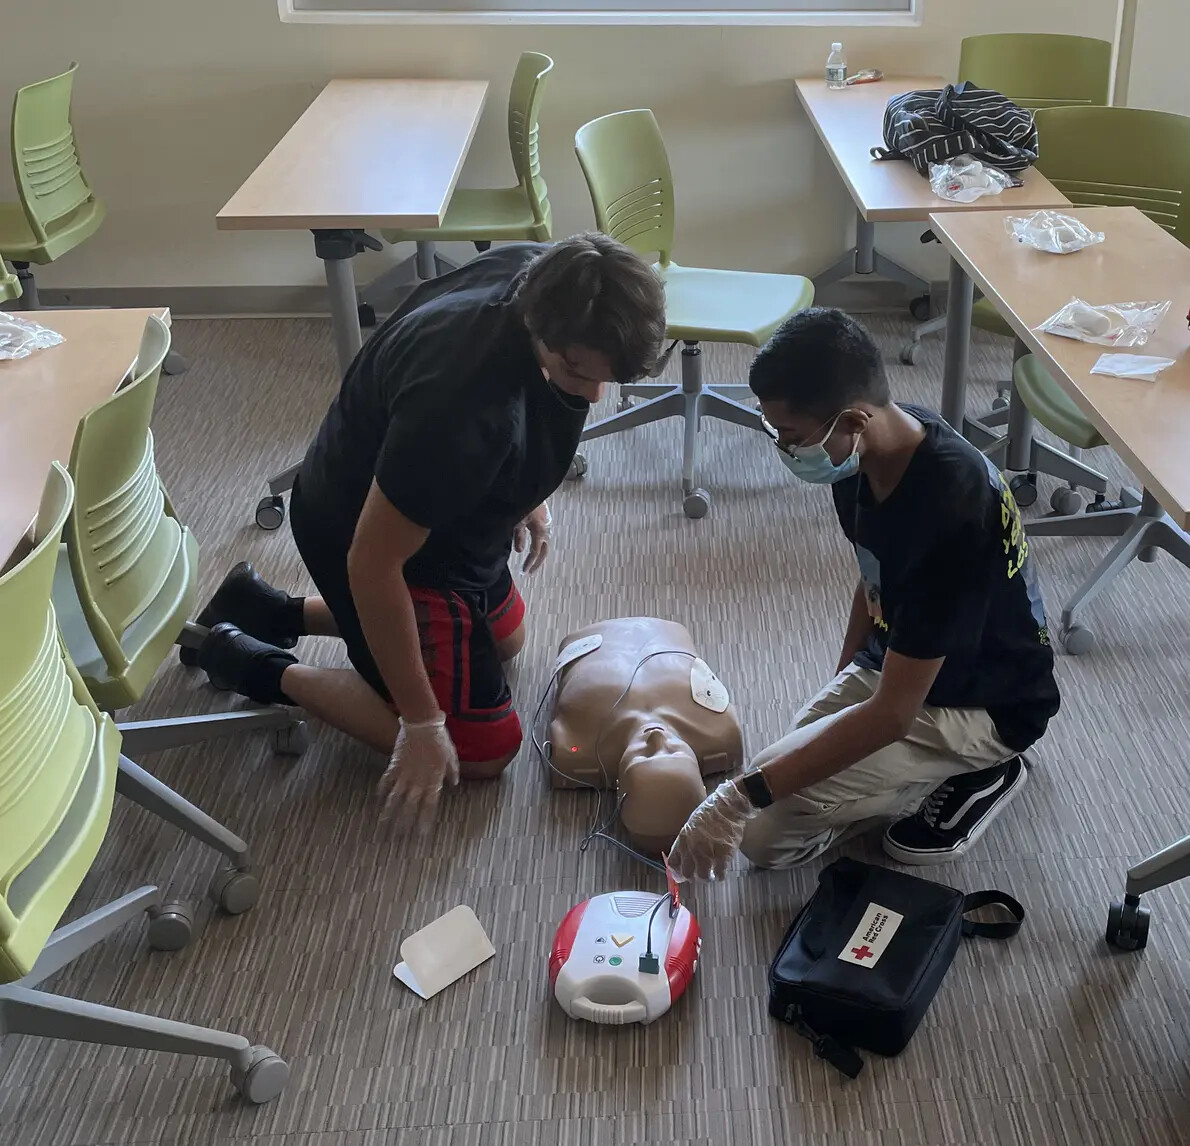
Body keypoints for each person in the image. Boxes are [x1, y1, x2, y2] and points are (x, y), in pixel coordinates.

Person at [190, 235, 667, 831]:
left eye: (608, 380)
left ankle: (270, 609)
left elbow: (542, 410)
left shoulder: (552, 274)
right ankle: (247, 658)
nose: (595, 394)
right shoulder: (462, 406)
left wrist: (528, 497)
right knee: (483, 750)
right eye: (576, 371)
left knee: (507, 638)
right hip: (369, 533)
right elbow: (372, 563)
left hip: (445, 506)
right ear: (538, 326)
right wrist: (420, 723)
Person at [668, 307, 1061, 881]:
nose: (783, 448)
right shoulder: (872, 450)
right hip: (907, 663)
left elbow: (893, 715)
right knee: (775, 771)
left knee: (762, 836)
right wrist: (843, 683)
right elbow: (871, 570)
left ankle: (982, 770)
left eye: (793, 436)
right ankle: (894, 772)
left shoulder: (948, 508)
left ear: (852, 419)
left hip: (984, 702)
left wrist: (741, 798)